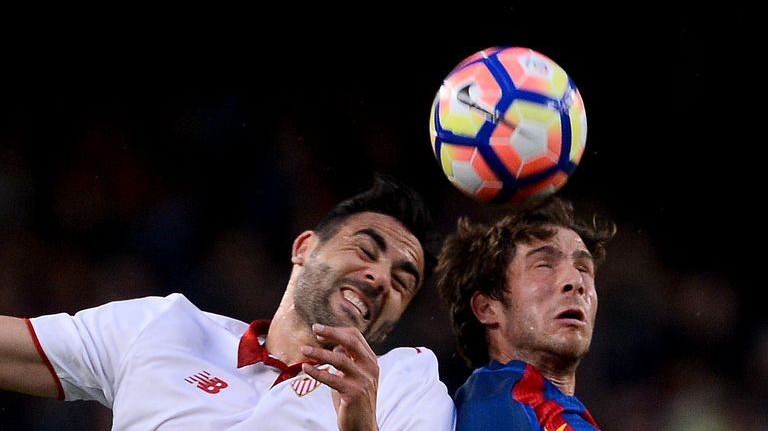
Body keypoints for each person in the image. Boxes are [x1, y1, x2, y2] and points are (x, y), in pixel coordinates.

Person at [0, 173, 456, 430]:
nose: (379, 278)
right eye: (364, 250)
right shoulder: (162, 327)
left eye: (402, 280)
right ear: (304, 248)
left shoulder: (405, 384)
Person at [435, 196, 616, 430]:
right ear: (487, 308)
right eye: (544, 265)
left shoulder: (544, 410)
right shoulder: (498, 407)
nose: (575, 281)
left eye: (583, 268)